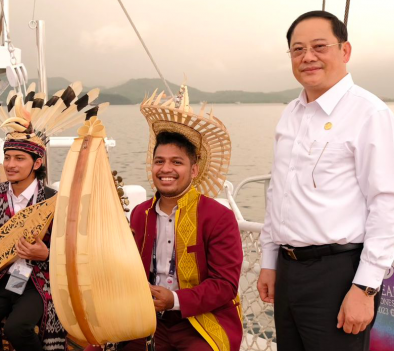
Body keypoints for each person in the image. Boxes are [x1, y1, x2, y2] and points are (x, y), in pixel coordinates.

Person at [257, 10, 394, 351]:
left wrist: (365, 288)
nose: (308, 57)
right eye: (298, 49)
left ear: (344, 51)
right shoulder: (291, 113)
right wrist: (268, 262)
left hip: (338, 275)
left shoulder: (369, 113)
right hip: (288, 272)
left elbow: (386, 202)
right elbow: (279, 194)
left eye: (320, 46)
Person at [87, 86, 243, 351]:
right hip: (145, 318)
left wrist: (174, 299)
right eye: (159, 161)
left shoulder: (218, 217)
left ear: (194, 170)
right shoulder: (140, 213)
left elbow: (225, 285)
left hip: (200, 320)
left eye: (176, 162)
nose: (166, 169)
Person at [0, 81, 100, 351]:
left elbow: (76, 249)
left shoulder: (54, 201)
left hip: (39, 280)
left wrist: (47, 254)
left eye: (19, 158)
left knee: (19, 330)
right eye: (7, 157)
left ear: (37, 163)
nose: (10, 165)